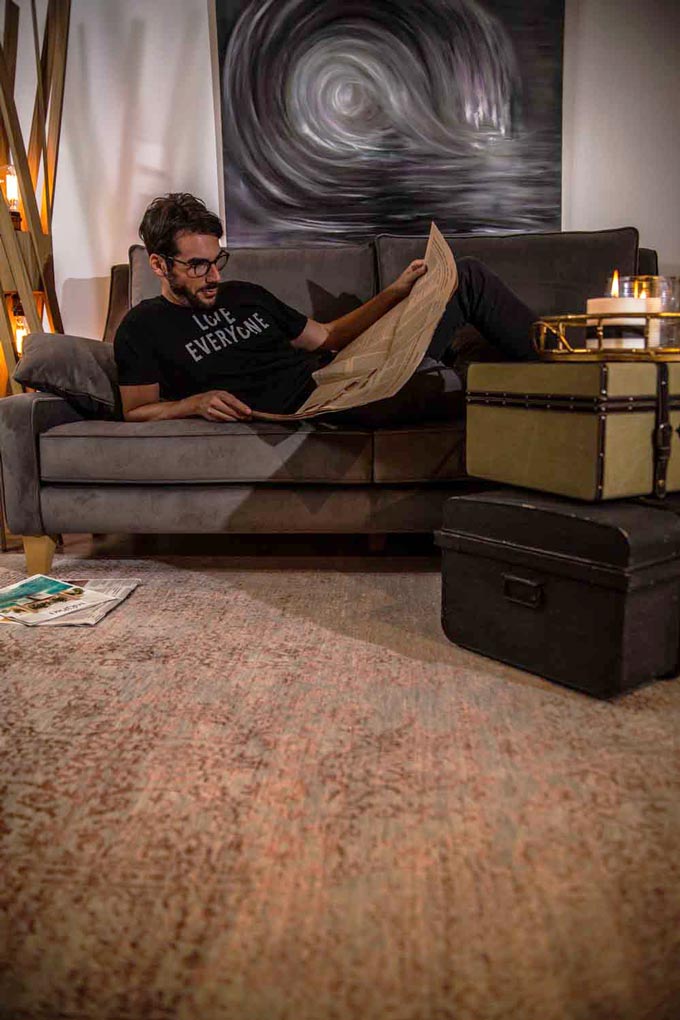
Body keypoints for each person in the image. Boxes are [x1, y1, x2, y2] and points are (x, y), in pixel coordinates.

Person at [114, 193, 538, 427]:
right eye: (197, 266)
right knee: (449, 383)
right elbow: (135, 411)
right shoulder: (143, 326)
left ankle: (570, 374)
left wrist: (396, 291)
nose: (213, 277)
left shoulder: (245, 293)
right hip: (324, 404)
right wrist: (193, 403)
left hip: (342, 370)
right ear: (158, 264)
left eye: (216, 261)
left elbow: (330, 337)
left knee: (467, 276)